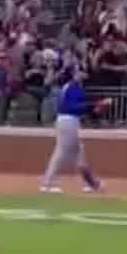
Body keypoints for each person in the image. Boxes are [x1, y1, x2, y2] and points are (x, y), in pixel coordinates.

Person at [39, 65, 101, 193]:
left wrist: (93, 108)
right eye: (79, 71)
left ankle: (91, 183)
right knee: (62, 152)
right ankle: (47, 183)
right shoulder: (73, 87)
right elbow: (73, 107)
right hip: (68, 121)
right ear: (73, 74)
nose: (83, 73)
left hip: (68, 121)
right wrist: (93, 105)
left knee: (79, 153)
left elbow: (78, 108)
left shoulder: (71, 86)